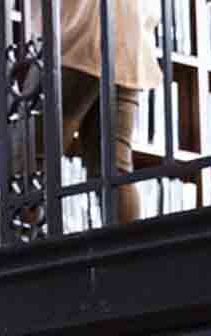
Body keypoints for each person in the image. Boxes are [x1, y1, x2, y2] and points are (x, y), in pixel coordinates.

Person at [56, 0, 158, 225]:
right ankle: (126, 256)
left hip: (78, 35)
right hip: (129, 40)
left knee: (28, 160)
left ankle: (10, 255)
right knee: (114, 170)